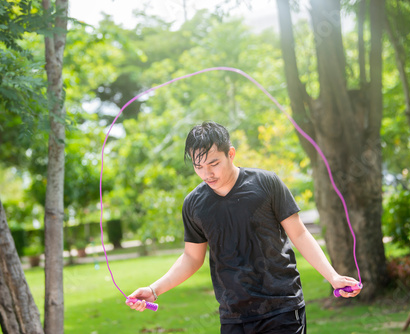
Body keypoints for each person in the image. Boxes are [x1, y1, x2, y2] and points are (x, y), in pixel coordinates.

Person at [127, 121, 360, 333]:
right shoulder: (194, 204)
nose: (207, 173)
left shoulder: (266, 183)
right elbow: (191, 257)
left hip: (282, 309)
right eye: (198, 166)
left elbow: (299, 233)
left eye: (214, 163)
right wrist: (154, 289)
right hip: (233, 316)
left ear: (231, 153)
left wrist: (333, 277)